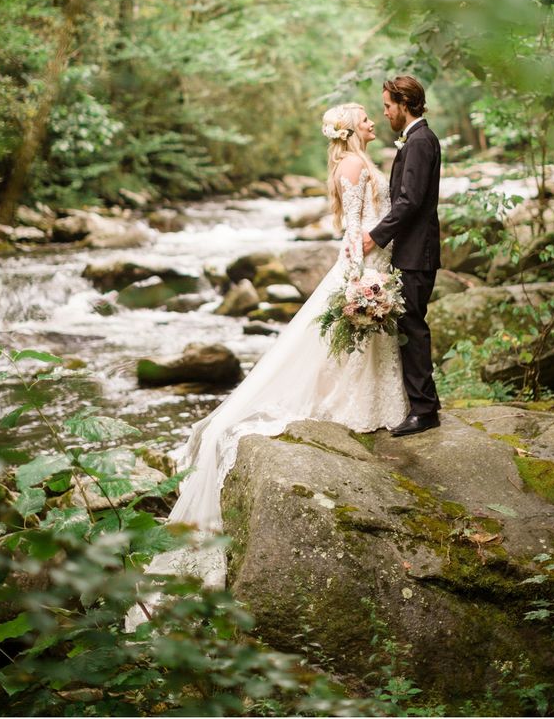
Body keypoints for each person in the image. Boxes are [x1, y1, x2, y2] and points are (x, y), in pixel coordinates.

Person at [128, 103, 408, 610]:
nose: (372, 121)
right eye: (365, 117)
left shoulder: (363, 161)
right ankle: (350, 405)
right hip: (363, 261)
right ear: (350, 130)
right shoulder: (352, 165)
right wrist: (359, 276)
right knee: (338, 340)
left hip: (376, 258)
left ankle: (372, 402)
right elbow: (354, 228)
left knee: (353, 342)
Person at [363, 75, 442, 437]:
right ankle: (421, 403)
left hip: (415, 254)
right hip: (411, 252)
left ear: (404, 104)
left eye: (388, 106)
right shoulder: (416, 139)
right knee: (409, 324)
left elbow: (409, 201)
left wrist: (376, 237)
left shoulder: (420, 142)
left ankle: (424, 410)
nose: (385, 113)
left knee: (412, 326)